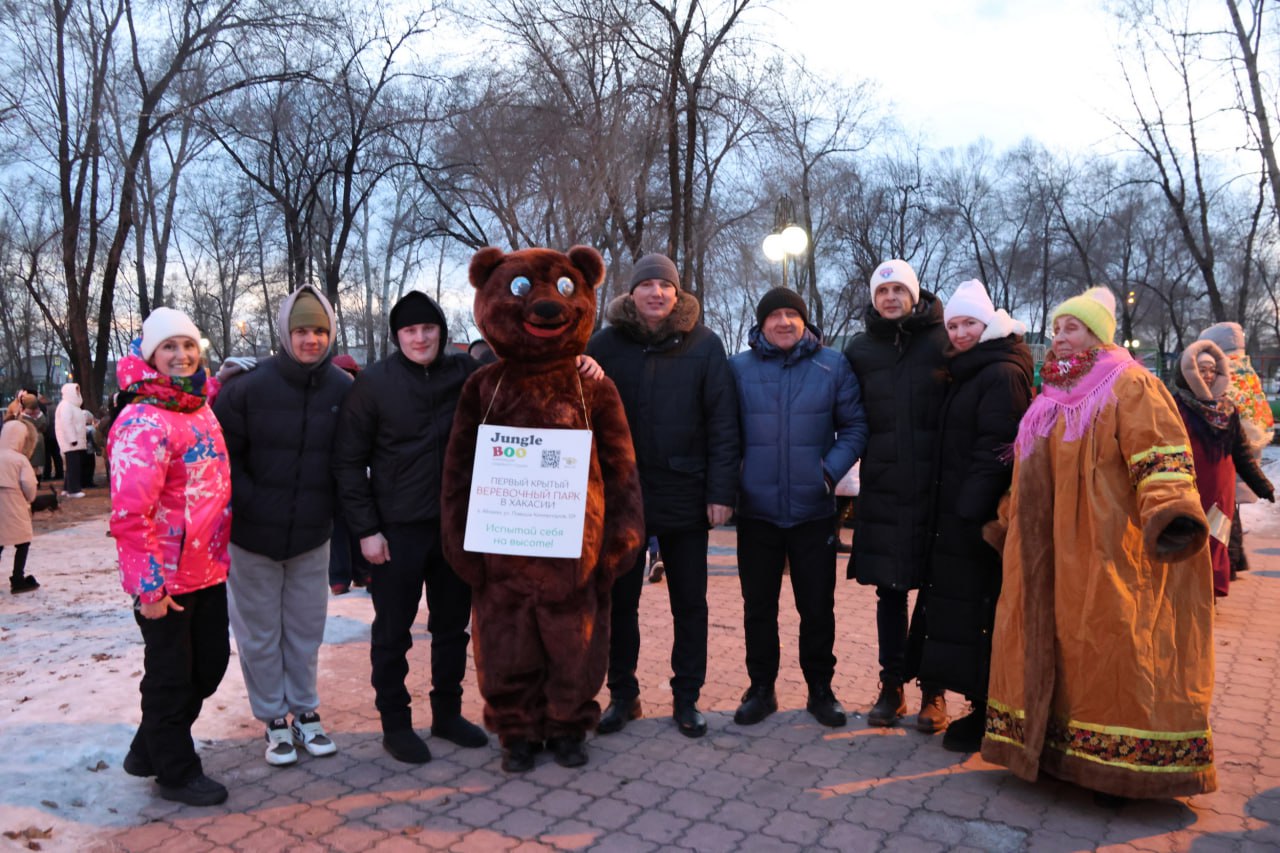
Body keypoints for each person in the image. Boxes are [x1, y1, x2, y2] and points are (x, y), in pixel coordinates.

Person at [983, 286, 1216, 802]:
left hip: (1105, 544)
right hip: (1042, 552)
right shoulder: (1049, 394)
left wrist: (1171, 511)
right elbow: (1027, 469)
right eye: (1058, 328)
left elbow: (1160, 455)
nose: (1061, 338)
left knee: (1109, 646)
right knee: (1050, 646)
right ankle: (1052, 754)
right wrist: (1007, 518)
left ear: (1098, 334)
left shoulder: (1129, 385)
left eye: (1074, 328)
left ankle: (1118, 765)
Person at [332, 291, 493, 765]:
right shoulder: (375, 385)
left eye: (428, 329)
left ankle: (447, 713)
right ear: (396, 335)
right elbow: (347, 463)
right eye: (409, 331)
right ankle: (396, 724)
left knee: (451, 628)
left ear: (442, 330)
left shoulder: (466, 374)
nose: (420, 338)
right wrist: (366, 529)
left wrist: (586, 366)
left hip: (456, 528)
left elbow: (520, 384)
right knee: (392, 633)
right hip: (395, 531)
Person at [585, 252, 740, 739]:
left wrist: (720, 491)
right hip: (623, 495)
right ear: (631, 294)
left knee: (689, 603)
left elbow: (723, 423)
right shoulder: (604, 346)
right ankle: (622, 695)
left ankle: (686, 697)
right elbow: (579, 413)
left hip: (687, 493)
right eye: (647, 285)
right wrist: (581, 368)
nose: (656, 293)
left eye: (665, 286)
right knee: (619, 601)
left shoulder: (705, 345)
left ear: (678, 294)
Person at [213, 285, 352, 767]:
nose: (310, 339)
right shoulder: (247, 389)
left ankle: (306, 712)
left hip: (312, 537)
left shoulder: (343, 389)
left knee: (305, 630)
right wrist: (256, 507)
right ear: (284, 333)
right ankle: (273, 718)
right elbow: (223, 461)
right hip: (252, 539)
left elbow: (349, 460)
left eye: (318, 330)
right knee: (258, 635)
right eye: (301, 330)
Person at [108, 307, 233, 807]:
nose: (181, 355)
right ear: (151, 356)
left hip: (208, 567)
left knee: (209, 667)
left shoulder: (198, 406)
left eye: (187, 345)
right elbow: (129, 515)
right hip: (165, 579)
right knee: (171, 677)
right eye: (168, 348)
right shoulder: (142, 418)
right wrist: (149, 589)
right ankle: (176, 772)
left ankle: (147, 749)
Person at [904, 279, 1033, 753]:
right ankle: (979, 707)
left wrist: (968, 510)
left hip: (975, 521)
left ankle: (986, 712)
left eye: (968, 324)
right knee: (964, 612)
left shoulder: (999, 373)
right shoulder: (971, 369)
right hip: (959, 514)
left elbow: (997, 449)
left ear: (988, 323)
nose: (959, 333)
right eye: (952, 324)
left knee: (981, 614)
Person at [728, 287, 866, 728]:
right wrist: (737, 479)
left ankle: (820, 690)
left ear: (804, 322)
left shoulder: (832, 366)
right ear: (761, 323)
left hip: (813, 511)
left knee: (817, 606)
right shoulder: (739, 370)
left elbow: (855, 426)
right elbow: (723, 432)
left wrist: (827, 474)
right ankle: (761, 688)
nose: (784, 322)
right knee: (758, 607)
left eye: (792, 314)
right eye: (775, 315)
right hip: (756, 511)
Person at [842, 259, 950, 731]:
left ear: (914, 294)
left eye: (898, 290)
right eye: (882, 291)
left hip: (935, 487)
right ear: (873, 298)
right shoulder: (860, 350)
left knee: (934, 591)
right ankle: (892, 687)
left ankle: (934, 692)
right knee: (889, 592)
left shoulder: (943, 342)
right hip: (884, 487)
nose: (889, 298)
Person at [1172, 339, 1274, 598]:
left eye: (1211, 369)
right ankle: (1185, 593)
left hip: (1221, 488)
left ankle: (1209, 593)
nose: (1207, 375)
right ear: (1187, 370)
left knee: (1217, 541)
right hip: (1188, 486)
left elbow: (1241, 452)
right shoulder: (1174, 406)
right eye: (1201, 368)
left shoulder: (1228, 409)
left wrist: (1262, 485)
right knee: (1189, 539)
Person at [1197, 322, 1275, 579]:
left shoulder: (1223, 374)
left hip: (1230, 454)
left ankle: (1230, 560)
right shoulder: (1247, 372)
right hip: (1247, 451)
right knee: (1229, 510)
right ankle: (1235, 558)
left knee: (1224, 512)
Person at [327, 354, 370, 595]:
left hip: (357, 468)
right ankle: (340, 576)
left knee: (357, 521)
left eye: (349, 373)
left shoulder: (363, 398)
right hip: (333, 470)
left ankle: (361, 572)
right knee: (338, 526)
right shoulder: (326, 396)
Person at [1, 419, 39, 593]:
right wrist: (29, 498)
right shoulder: (20, 459)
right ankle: (17, 578)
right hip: (13, 502)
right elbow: (28, 483)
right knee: (22, 541)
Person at [55, 382, 88, 498]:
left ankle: (67, 488)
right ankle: (73, 490)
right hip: (71, 442)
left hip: (75, 441)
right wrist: (72, 439)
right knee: (73, 466)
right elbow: (66, 424)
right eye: (76, 390)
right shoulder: (66, 406)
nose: (78, 393)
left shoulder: (73, 406)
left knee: (72, 465)